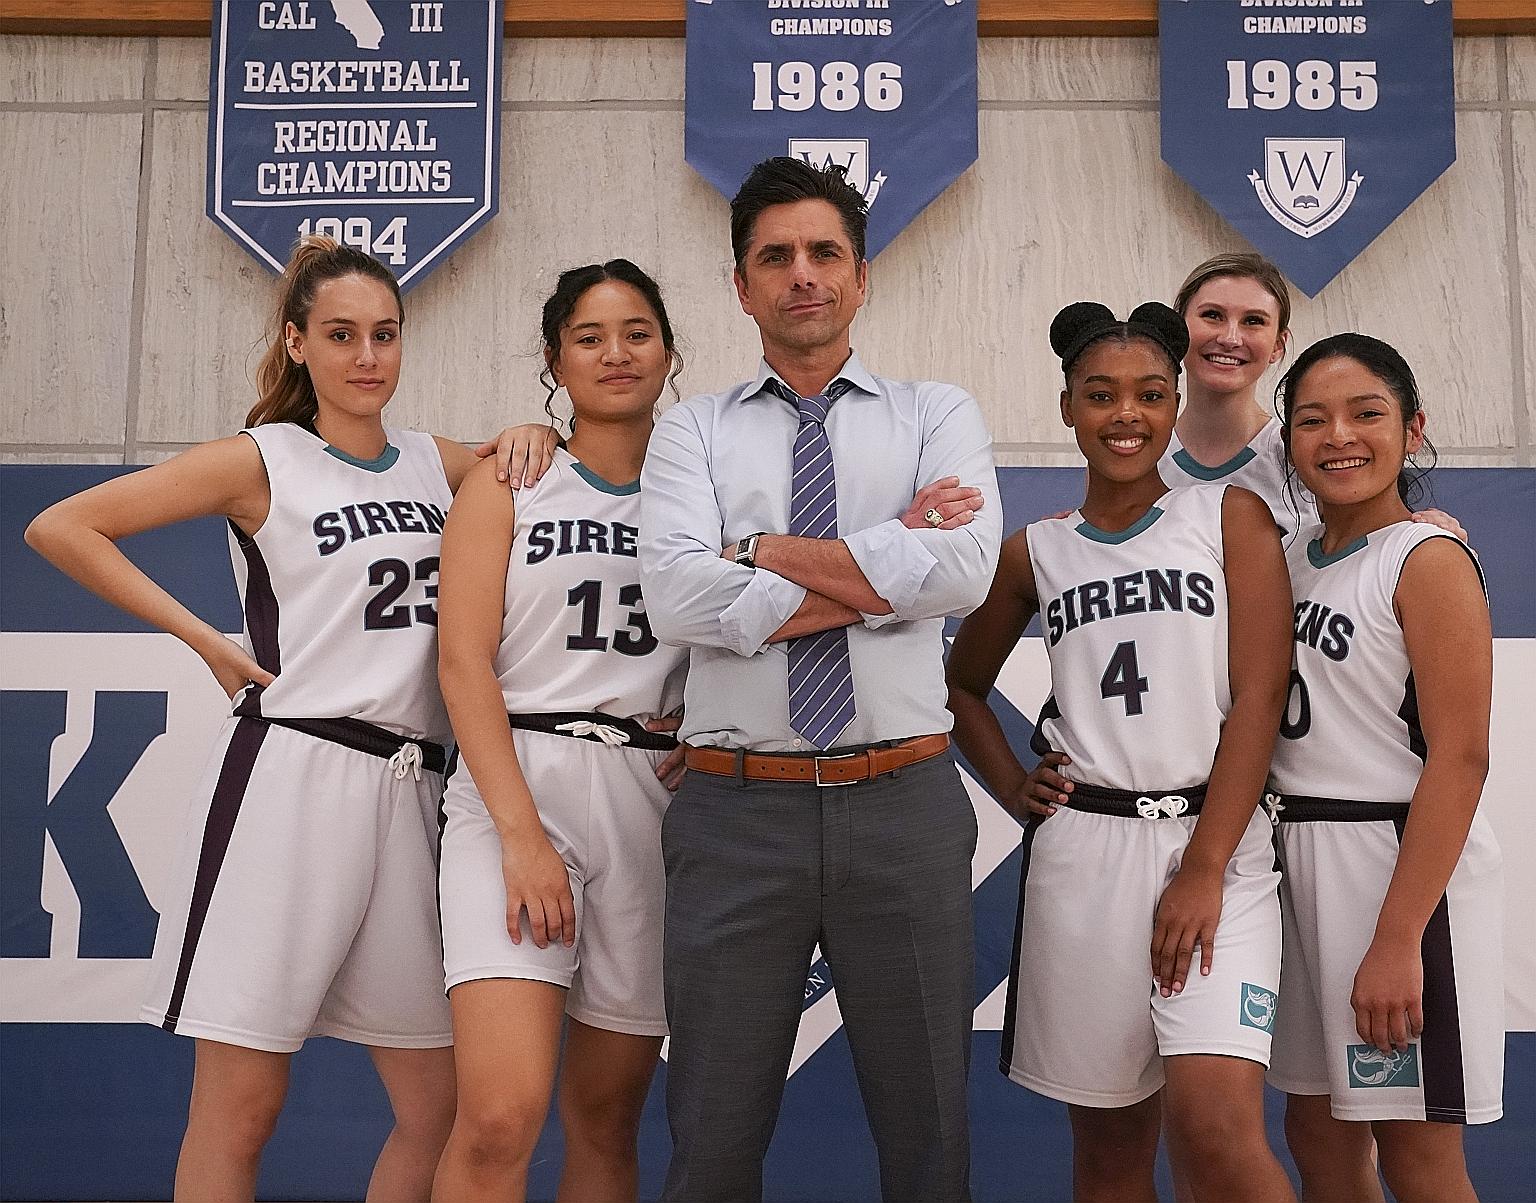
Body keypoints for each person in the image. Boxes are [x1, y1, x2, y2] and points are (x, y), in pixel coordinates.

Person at [24, 236, 538, 1202]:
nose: (367, 357)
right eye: (341, 335)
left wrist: (524, 433)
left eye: (384, 334)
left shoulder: (436, 463)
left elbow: (533, 471)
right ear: (297, 343)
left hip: (413, 790)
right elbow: (61, 526)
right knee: (242, 1108)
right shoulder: (265, 458)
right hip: (290, 778)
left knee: (438, 1111)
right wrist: (203, 639)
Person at [636, 156, 1000, 1202]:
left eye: (824, 253)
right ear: (741, 286)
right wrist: (888, 565)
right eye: (775, 257)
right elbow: (678, 599)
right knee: (710, 1139)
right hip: (734, 813)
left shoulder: (938, 411)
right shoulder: (690, 430)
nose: (803, 274)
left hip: (906, 804)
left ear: (862, 276)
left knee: (929, 1138)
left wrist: (756, 550)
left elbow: (965, 569)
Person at [947, 301, 1297, 1202]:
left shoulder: (1229, 516)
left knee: (1216, 1128)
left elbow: (1259, 696)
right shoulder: (1036, 550)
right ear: (1067, 406)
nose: (1126, 414)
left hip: (1214, 841)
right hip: (1086, 850)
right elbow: (957, 687)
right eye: (1100, 395)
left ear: (1177, 402)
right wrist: (1014, 782)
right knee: (1109, 1153)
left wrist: (1206, 865)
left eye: (1149, 394)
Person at [431, 260, 690, 1202]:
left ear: (669, 350)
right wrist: (521, 834)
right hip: (516, 788)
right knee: (499, 1115)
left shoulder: (704, 496)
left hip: (647, 801)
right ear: (556, 358)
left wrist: (709, 726)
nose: (615, 353)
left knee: (607, 1120)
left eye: (636, 332)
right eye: (589, 336)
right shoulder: (510, 481)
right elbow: (462, 663)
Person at [1265, 334, 1503, 1203]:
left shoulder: (1427, 559)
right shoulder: (1289, 560)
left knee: (1417, 1156)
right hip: (1299, 862)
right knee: (1317, 1135)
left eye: (1367, 413)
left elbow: (1463, 757)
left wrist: (1399, 938)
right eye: (1312, 420)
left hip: (1398, 871)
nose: (1339, 436)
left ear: (1413, 427)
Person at [1165, 252, 1462, 538]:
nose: (1230, 338)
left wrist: (1430, 534)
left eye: (1253, 321)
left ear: (1278, 345)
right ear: (1178, 329)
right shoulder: (1139, 453)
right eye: (1212, 315)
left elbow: (1371, 552)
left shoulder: (1310, 452)